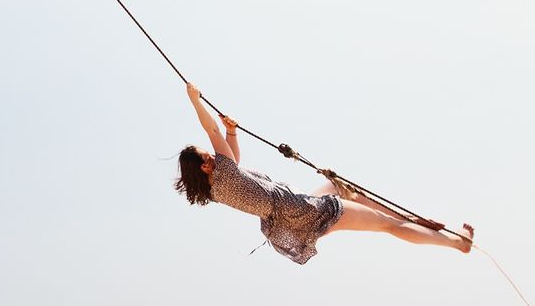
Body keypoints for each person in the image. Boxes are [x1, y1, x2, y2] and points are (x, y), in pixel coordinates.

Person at [175, 83, 471, 263]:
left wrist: (231, 131)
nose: (213, 153)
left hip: (288, 218)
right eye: (207, 155)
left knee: (336, 186)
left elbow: (232, 155)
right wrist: (194, 99)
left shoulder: (218, 187)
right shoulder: (224, 173)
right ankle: (457, 243)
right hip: (300, 210)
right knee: (387, 226)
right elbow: (211, 130)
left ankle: (409, 219)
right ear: (204, 166)